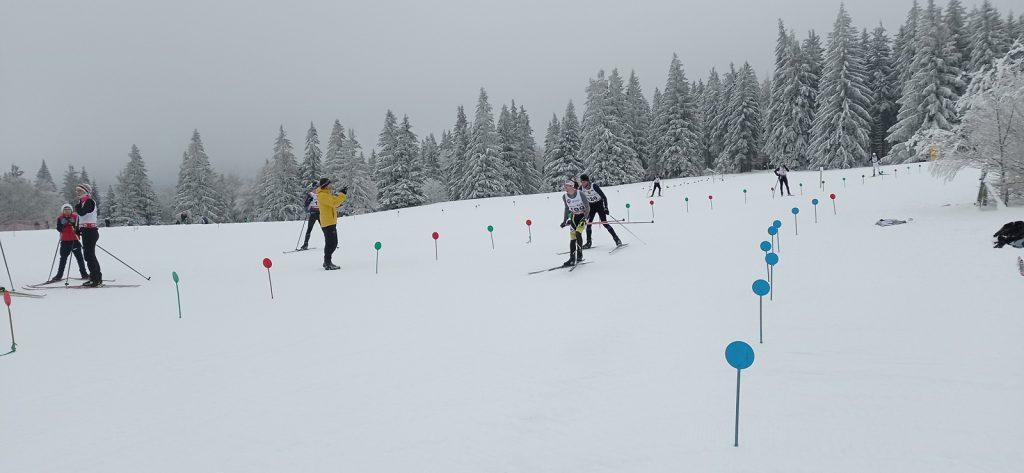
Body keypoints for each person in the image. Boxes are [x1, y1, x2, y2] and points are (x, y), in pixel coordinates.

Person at [578, 174, 621, 249]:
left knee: (604, 223)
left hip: (599, 205)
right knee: (588, 224)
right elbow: (580, 199)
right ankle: (588, 242)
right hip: (590, 206)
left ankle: (617, 239)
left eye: (584, 182)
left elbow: (604, 197)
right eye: (581, 182)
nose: (583, 183)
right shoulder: (581, 188)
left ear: (587, 181)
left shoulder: (594, 186)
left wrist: (606, 208)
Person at [49, 204, 89, 283]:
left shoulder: (75, 217)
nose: (67, 211)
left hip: (75, 240)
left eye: (69, 209)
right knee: (63, 259)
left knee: (80, 259)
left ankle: (84, 274)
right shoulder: (60, 218)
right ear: (63, 211)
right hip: (65, 241)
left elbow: (79, 228)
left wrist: (74, 224)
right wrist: (63, 224)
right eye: (65, 210)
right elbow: (59, 229)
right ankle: (59, 275)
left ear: (71, 210)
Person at [73, 183, 103, 287]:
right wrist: (77, 230)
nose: (77, 192)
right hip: (86, 231)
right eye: (77, 191)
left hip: (91, 231)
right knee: (88, 256)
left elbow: (82, 213)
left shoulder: (89, 201)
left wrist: (77, 207)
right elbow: (79, 218)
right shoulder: (81, 202)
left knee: (89, 256)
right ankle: (94, 277)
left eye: (79, 191)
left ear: (85, 191)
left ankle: (96, 279)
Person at [315, 177, 347, 270]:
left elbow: (334, 200)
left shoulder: (326, 194)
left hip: (330, 222)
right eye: (329, 184)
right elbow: (334, 203)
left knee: (331, 243)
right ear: (325, 185)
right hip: (328, 223)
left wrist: (341, 193)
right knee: (331, 244)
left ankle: (327, 262)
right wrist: (342, 195)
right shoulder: (322, 195)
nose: (331, 185)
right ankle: (328, 263)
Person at [559, 179, 590, 267]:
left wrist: (585, 218)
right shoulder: (565, 197)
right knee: (572, 238)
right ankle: (572, 259)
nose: (565, 188)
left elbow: (587, 207)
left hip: (583, 216)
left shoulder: (580, 194)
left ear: (572, 186)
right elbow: (567, 209)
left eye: (566, 186)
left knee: (578, 233)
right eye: (564, 187)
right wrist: (564, 221)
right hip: (574, 217)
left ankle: (579, 255)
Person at [300, 180, 320, 250]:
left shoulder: (321, 194)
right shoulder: (310, 194)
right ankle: (305, 245)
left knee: (325, 230)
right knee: (309, 229)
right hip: (313, 214)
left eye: (317, 187)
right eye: (315, 187)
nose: (316, 188)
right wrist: (309, 200)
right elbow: (305, 204)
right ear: (313, 187)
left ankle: (330, 243)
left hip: (320, 214)